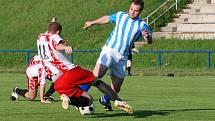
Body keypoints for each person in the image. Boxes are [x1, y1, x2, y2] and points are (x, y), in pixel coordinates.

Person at [36, 21, 133, 113]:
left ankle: (69, 100)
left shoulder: (40, 37)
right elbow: (56, 45)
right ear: (57, 32)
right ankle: (116, 100)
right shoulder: (55, 37)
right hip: (70, 71)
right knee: (96, 81)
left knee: (89, 99)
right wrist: (65, 47)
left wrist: (53, 22)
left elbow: (50, 32)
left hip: (58, 83)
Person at [83, 0, 153, 111]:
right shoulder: (121, 15)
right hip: (110, 50)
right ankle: (77, 95)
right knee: (96, 74)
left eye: (136, 11)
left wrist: (147, 37)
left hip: (123, 57)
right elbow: (107, 18)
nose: (132, 12)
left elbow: (150, 41)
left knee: (116, 88)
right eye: (131, 9)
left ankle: (105, 99)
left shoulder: (142, 24)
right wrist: (92, 22)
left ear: (140, 11)